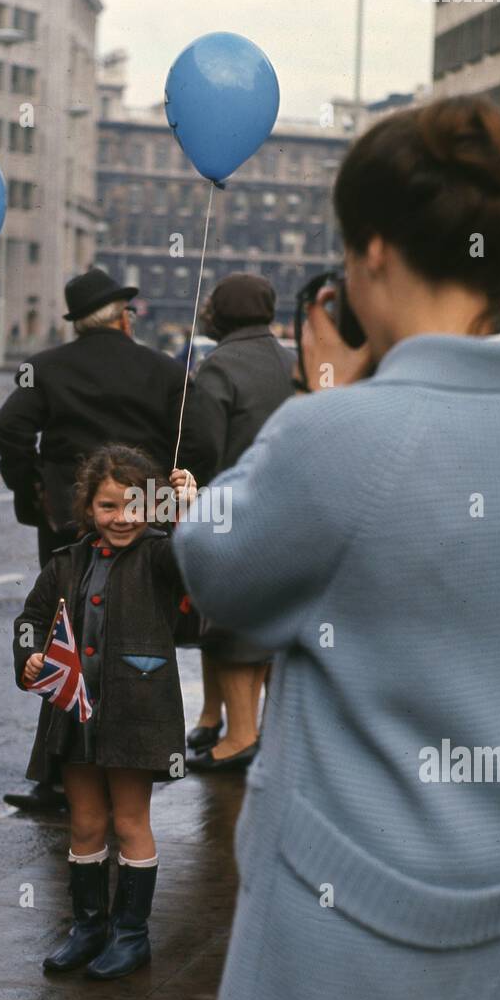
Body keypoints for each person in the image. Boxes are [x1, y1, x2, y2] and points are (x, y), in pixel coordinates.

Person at [173, 97, 500, 1000]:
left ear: (367, 253)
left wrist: (327, 400)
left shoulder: (341, 438)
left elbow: (214, 566)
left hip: (360, 915)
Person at [0, 267, 216, 814]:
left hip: (73, 522)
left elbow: (6, 433)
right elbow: (204, 441)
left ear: (77, 323)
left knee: (65, 639)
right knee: (138, 642)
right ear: (123, 318)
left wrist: (36, 491)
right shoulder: (164, 371)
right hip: (146, 526)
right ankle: (129, 762)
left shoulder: (42, 368)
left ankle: (62, 772)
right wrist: (164, 496)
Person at [13, 444, 197, 979]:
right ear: (88, 509)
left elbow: (198, 565)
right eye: (109, 507)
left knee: (130, 820)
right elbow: (31, 617)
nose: (123, 518)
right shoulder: (66, 562)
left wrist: (188, 510)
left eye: (135, 505)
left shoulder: (164, 555)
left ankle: (131, 934)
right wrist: (30, 656)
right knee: (87, 821)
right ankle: (88, 928)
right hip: (72, 713)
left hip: (136, 714)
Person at [184, 273, 296, 770]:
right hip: (292, 510)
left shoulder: (218, 367)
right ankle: (265, 732)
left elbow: (205, 448)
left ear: (220, 315)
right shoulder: (294, 360)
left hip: (234, 507)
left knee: (227, 625)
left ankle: (239, 738)